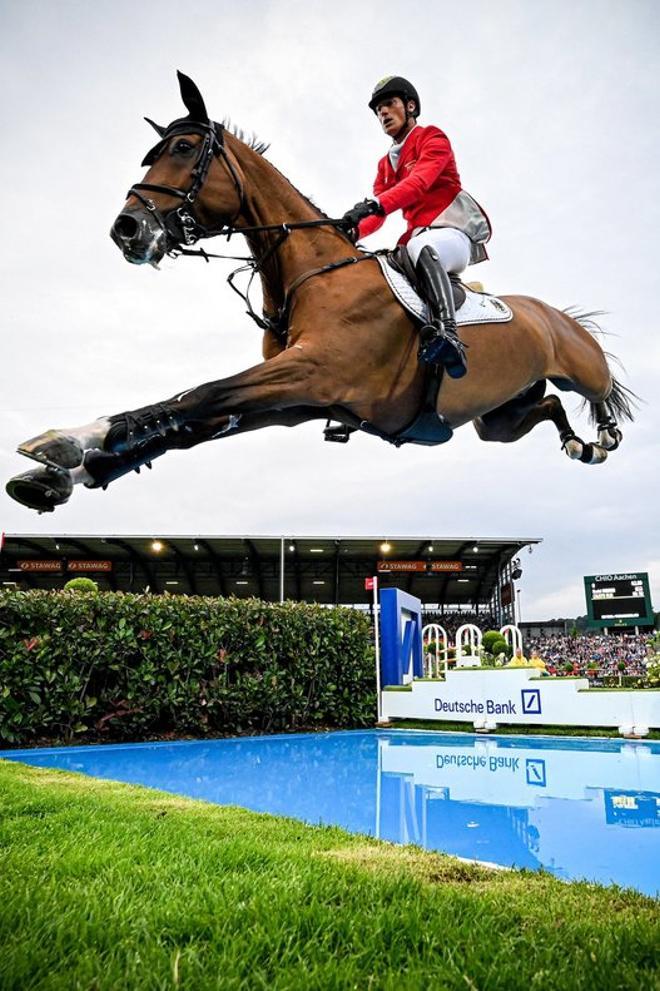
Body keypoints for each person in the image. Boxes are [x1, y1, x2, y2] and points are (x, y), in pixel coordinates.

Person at [341, 76, 491, 378]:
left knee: (420, 246)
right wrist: (351, 231)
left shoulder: (432, 137)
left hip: (452, 234)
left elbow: (418, 183)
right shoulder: (385, 164)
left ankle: (449, 335)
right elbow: (378, 215)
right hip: (417, 239)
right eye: (378, 109)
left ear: (410, 106)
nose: (383, 113)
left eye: (389, 104)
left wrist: (377, 204)